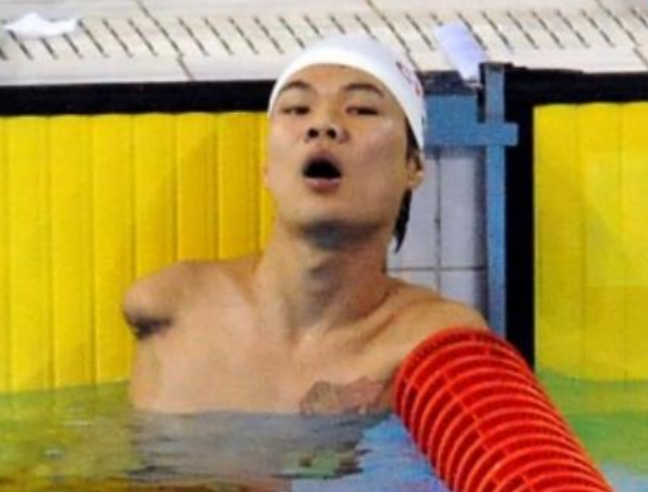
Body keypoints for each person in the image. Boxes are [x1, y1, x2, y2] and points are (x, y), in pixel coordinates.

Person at [124, 35, 488, 415]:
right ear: (267, 168)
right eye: (297, 109)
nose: (323, 124)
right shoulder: (170, 310)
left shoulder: (435, 346)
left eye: (362, 110)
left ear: (413, 166)